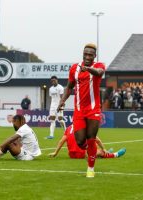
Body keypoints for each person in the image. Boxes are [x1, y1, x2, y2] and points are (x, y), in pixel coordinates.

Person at [57, 43, 105, 178]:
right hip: (78, 109)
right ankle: (93, 152)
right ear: (83, 54)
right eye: (86, 54)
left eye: (90, 54)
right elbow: (69, 86)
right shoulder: (74, 68)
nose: (87, 56)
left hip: (93, 109)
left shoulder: (99, 66)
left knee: (91, 139)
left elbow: (99, 73)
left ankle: (90, 168)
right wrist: (62, 101)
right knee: (79, 141)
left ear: (95, 56)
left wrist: (88, 69)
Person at [48, 124, 126, 159]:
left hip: (71, 155)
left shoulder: (69, 128)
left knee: (94, 148)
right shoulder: (84, 127)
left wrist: (55, 153)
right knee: (100, 151)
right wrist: (104, 149)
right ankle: (115, 154)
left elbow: (61, 141)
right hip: (82, 154)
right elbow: (97, 140)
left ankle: (103, 153)